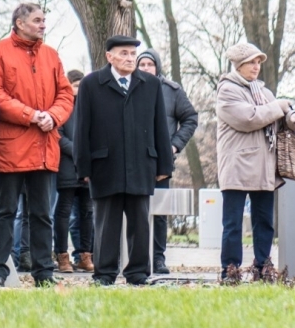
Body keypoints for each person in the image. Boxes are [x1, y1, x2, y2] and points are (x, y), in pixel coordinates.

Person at [0, 3, 74, 287]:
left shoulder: (51, 55)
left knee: (42, 214)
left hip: (45, 146)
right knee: (5, 211)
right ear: (20, 23)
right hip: (11, 147)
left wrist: (53, 116)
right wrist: (31, 115)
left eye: (43, 20)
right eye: (37, 20)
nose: (42, 25)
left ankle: (43, 272)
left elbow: (65, 94)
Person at [74, 35, 174, 286]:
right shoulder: (91, 84)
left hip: (141, 163)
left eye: (132, 54)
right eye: (124, 53)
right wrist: (82, 167)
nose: (130, 59)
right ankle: (104, 274)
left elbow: (160, 126)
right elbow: (82, 128)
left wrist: (164, 165)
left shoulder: (150, 84)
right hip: (104, 164)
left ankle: (138, 273)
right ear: (109, 57)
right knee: (106, 223)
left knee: (140, 222)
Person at [215, 41, 295, 281]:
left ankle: (263, 269)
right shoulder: (227, 90)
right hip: (237, 167)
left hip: (265, 168)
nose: (256, 67)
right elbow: (249, 118)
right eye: (251, 62)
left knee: (264, 223)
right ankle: (230, 271)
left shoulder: (264, 92)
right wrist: (279, 106)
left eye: (258, 62)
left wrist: (293, 115)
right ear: (238, 65)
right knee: (233, 225)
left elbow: (281, 116)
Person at [135, 49, 199, 274]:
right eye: (141, 64)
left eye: (149, 64)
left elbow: (190, 118)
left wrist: (173, 146)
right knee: (135, 211)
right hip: (133, 161)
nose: (145, 68)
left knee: (159, 212)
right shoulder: (128, 88)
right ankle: (135, 258)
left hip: (160, 162)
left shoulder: (172, 90)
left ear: (157, 66)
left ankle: (158, 258)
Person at [54, 68, 94, 273]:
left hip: (87, 168)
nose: (79, 89)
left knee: (87, 212)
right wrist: (79, 152)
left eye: (81, 85)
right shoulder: (62, 106)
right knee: (64, 211)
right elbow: (58, 136)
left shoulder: (90, 106)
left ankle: (85, 255)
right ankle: (62, 256)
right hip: (67, 166)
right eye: (75, 85)